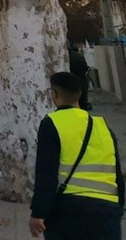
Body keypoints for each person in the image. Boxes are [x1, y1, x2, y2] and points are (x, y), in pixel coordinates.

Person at [30, 72, 124, 239]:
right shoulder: (102, 126)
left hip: (68, 211)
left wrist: (38, 213)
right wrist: (118, 209)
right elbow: (117, 174)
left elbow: (46, 172)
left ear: (54, 94)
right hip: (106, 211)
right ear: (80, 94)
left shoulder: (51, 123)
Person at [68, 42, 92, 112]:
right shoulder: (78, 56)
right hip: (81, 82)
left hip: (71, 83)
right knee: (82, 105)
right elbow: (85, 68)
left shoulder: (67, 57)